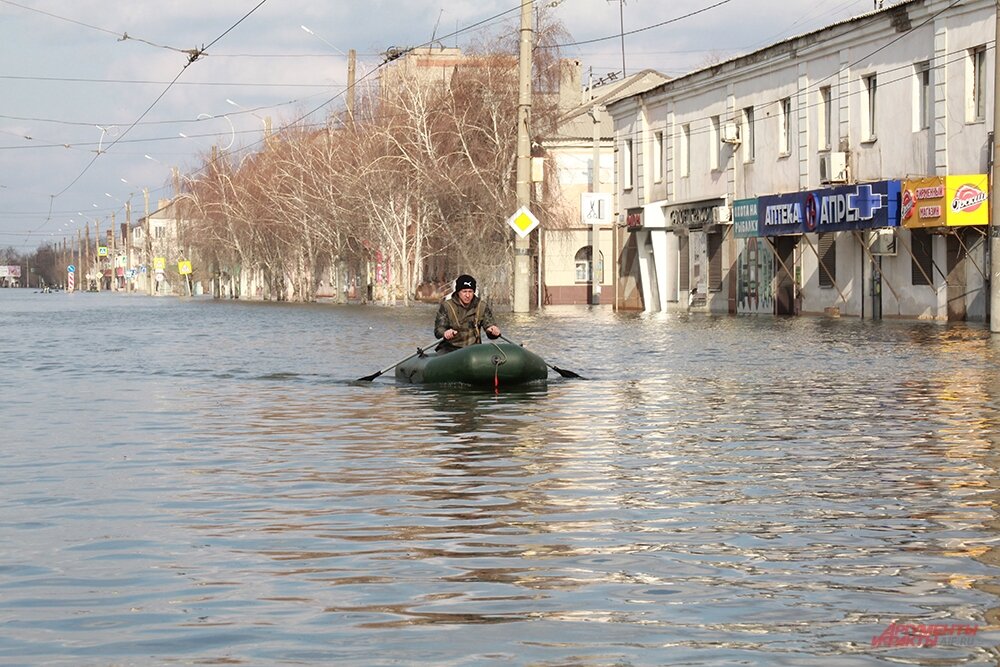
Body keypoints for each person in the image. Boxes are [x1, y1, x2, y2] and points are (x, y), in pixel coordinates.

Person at [434, 274, 501, 353]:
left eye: (470, 291)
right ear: (458, 292)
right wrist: (445, 333)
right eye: (464, 291)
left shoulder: (481, 306)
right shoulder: (447, 306)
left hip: (473, 350)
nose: (468, 295)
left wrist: (493, 330)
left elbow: (489, 325)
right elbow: (438, 330)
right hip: (450, 349)